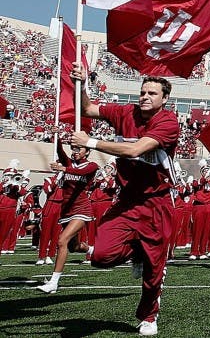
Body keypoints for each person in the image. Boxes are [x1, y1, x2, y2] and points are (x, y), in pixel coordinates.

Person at [69, 62, 180, 337]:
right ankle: (138, 252)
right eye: (143, 92)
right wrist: (80, 84)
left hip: (156, 203)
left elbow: (134, 150)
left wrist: (91, 143)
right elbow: (87, 109)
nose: (145, 97)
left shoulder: (168, 122)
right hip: (128, 201)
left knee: (154, 272)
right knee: (101, 256)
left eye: (152, 94)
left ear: (164, 99)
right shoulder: (123, 112)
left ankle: (148, 316)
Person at [36, 141, 99, 293]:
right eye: (74, 149)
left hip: (82, 209)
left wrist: (63, 168)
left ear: (87, 152)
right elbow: (60, 152)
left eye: (80, 148)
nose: (76, 151)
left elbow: (79, 173)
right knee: (74, 246)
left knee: (61, 240)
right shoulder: (69, 163)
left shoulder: (92, 166)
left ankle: (53, 282)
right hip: (66, 210)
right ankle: (93, 250)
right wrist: (57, 138)